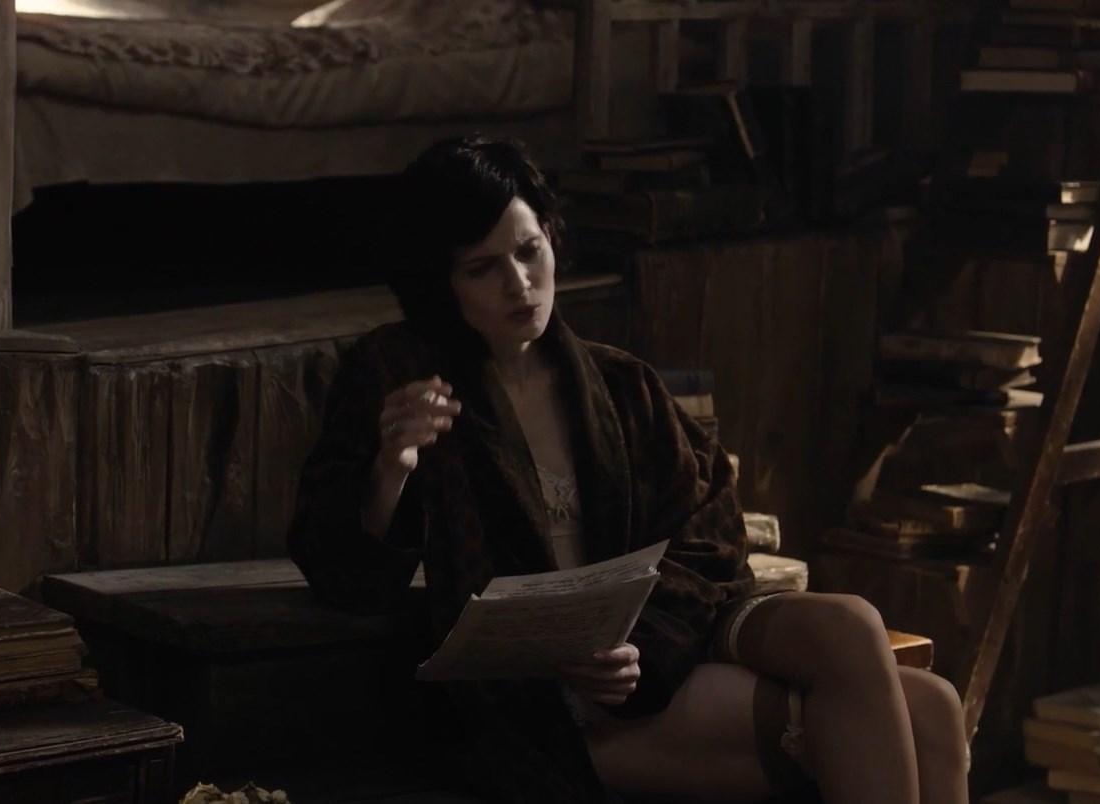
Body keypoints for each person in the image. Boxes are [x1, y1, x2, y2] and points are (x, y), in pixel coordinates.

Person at [287, 136, 969, 804]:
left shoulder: (620, 383)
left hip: (658, 643)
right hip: (535, 696)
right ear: (442, 283)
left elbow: (709, 533)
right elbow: (343, 574)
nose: (519, 283)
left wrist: (645, 644)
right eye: (481, 268)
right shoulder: (399, 375)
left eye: (529, 251)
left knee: (877, 648)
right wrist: (391, 469)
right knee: (912, 714)